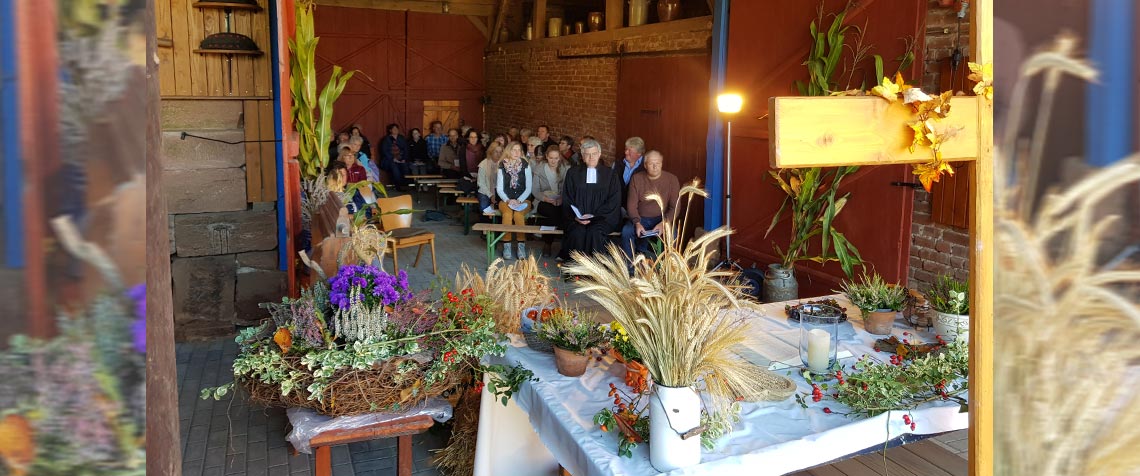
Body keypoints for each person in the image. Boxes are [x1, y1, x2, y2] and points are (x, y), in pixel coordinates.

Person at [560, 138, 621, 262]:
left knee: (595, 233)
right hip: (577, 218)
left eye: (594, 154)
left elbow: (614, 200)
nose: (591, 157)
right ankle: (575, 271)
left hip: (602, 218)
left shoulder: (610, 174)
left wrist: (594, 216)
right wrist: (576, 216)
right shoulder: (573, 173)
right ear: (582, 156)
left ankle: (595, 273)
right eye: (587, 154)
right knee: (577, 232)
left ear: (599, 154)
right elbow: (568, 197)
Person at [620, 150, 680, 265]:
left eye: (658, 163)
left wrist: (664, 223)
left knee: (672, 234)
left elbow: (675, 207)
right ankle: (630, 269)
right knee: (626, 231)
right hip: (640, 218)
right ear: (645, 165)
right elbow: (631, 205)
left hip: (662, 219)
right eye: (651, 163)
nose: (655, 166)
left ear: (662, 163)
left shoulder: (672, 179)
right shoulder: (636, 179)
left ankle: (669, 269)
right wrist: (637, 223)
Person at [496, 141, 533, 260]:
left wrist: (519, 200)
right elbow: (500, 188)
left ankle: (521, 245)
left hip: (523, 200)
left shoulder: (526, 165)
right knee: (507, 214)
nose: (517, 153)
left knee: (518, 214)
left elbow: (528, 187)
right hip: (506, 200)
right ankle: (506, 245)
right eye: (514, 150)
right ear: (508, 151)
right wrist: (508, 200)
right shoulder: (502, 165)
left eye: (519, 150)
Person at [533, 146, 569, 256]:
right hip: (542, 200)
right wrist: (544, 198)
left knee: (563, 212)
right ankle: (549, 244)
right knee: (553, 212)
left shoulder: (566, 168)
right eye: (551, 158)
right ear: (546, 157)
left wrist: (561, 199)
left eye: (556, 158)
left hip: (560, 200)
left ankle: (551, 243)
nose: (553, 161)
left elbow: (568, 188)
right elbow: (535, 190)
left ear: (560, 158)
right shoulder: (539, 168)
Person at [615, 136, 647, 208]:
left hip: (636, 208)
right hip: (618, 205)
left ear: (639, 153)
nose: (626, 152)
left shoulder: (646, 167)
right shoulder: (618, 163)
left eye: (630, 151)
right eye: (626, 149)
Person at [379, 123, 410, 191]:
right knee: (395, 168)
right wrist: (393, 159)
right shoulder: (386, 139)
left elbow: (406, 149)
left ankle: (405, 185)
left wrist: (404, 159)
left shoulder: (401, 138)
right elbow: (384, 151)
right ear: (390, 130)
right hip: (389, 159)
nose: (396, 130)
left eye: (396, 129)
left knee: (405, 167)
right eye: (394, 129)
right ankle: (398, 186)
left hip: (401, 158)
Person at [477, 143, 503, 215]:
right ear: (491, 152)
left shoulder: (504, 164)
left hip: (499, 191)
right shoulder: (483, 164)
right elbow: (481, 183)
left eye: (501, 152)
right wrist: (490, 195)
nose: (499, 154)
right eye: (496, 152)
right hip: (485, 191)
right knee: (484, 207)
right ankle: (485, 223)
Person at [458, 129, 485, 194]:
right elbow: (462, 165)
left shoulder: (483, 149)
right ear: (468, 138)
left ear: (478, 138)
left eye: (475, 137)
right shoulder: (463, 149)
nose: (473, 139)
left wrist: (478, 177)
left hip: (480, 176)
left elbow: (485, 165)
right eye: (471, 137)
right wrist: (470, 176)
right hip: (467, 175)